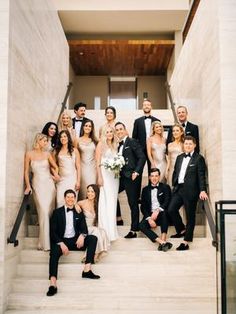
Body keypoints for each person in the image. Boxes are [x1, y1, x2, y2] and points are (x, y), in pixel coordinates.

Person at [46, 189, 100, 297]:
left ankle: (87, 270)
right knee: (54, 252)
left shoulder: (79, 212)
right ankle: (53, 284)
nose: (70, 199)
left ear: (75, 199)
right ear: (64, 198)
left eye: (72, 197)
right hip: (62, 241)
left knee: (93, 238)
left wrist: (82, 235)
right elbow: (52, 232)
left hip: (75, 241)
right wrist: (61, 243)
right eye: (68, 197)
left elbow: (84, 228)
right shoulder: (57, 212)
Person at [168, 136, 208, 251]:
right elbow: (176, 171)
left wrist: (202, 190)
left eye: (190, 144)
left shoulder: (199, 158)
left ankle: (186, 242)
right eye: (186, 144)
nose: (188, 145)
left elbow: (201, 176)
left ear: (194, 145)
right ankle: (181, 229)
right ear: (183, 145)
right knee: (171, 209)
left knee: (190, 217)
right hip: (179, 189)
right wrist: (174, 184)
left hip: (191, 191)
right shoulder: (180, 157)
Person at [24, 133, 59, 251]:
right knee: (43, 211)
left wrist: (55, 175)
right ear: (38, 141)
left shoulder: (47, 154)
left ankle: (45, 241)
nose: (46, 143)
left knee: (48, 212)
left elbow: (55, 166)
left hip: (49, 184)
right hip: (37, 184)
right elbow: (26, 172)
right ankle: (44, 243)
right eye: (44, 141)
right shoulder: (29, 154)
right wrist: (28, 186)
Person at [115, 122, 146, 238]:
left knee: (132, 203)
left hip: (132, 177)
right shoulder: (118, 145)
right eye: (117, 130)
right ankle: (118, 218)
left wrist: (137, 172)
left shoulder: (132, 141)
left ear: (125, 129)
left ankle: (134, 229)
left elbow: (142, 157)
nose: (119, 131)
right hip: (121, 177)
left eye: (120, 129)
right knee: (111, 193)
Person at [139, 168, 172, 251]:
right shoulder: (145, 190)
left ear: (159, 177)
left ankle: (163, 238)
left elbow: (167, 201)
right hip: (150, 215)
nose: (154, 178)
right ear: (149, 177)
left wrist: (158, 210)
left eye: (156, 176)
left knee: (164, 213)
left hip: (161, 214)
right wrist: (149, 218)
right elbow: (143, 207)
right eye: (152, 176)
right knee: (141, 225)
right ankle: (162, 242)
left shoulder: (165, 187)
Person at [96, 126, 119, 241]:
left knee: (112, 202)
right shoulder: (101, 144)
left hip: (114, 177)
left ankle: (112, 231)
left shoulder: (115, 145)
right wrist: (99, 177)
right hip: (105, 176)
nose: (109, 133)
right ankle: (105, 231)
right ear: (104, 133)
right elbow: (97, 162)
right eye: (107, 132)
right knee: (106, 201)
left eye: (111, 132)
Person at [76, 184, 110, 262]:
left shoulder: (98, 204)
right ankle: (94, 255)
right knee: (96, 230)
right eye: (88, 191)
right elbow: (74, 203)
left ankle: (94, 254)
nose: (90, 194)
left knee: (102, 231)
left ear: (96, 193)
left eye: (92, 192)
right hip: (85, 228)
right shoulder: (82, 202)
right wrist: (76, 205)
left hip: (93, 228)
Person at [132, 99, 160, 174]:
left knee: (153, 169)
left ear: (151, 107)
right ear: (142, 107)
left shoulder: (157, 120)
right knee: (138, 170)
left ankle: (151, 185)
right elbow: (134, 137)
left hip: (153, 149)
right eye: (145, 105)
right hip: (141, 149)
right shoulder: (137, 121)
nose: (146, 106)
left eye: (148, 105)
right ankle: (137, 186)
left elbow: (159, 135)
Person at [53, 130, 81, 207]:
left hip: (72, 179)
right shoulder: (56, 151)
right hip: (61, 180)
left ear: (68, 137)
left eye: (65, 136)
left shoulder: (74, 150)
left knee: (72, 201)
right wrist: (55, 174)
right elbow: (52, 165)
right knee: (60, 201)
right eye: (61, 137)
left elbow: (78, 167)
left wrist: (78, 181)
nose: (63, 138)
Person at [77, 119, 98, 200]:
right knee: (83, 191)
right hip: (82, 169)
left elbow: (97, 157)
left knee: (92, 190)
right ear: (83, 127)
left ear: (92, 128)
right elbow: (75, 156)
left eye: (90, 126)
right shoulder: (77, 140)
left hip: (92, 169)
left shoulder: (95, 141)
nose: (88, 127)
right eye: (86, 125)